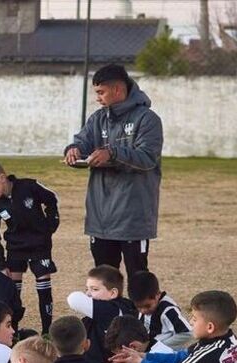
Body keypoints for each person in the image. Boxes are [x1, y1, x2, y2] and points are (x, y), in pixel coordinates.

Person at [63, 63, 163, 278]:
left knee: (138, 278)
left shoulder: (147, 119)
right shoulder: (98, 118)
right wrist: (73, 150)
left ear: (117, 90)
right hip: (100, 217)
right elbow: (82, 141)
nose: (97, 98)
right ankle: (108, 313)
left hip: (132, 217)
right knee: (104, 279)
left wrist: (113, 153)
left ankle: (140, 313)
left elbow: (147, 158)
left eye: (101, 92)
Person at [0, 160, 60, 334]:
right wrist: (0, 264)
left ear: (2, 178)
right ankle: (12, 332)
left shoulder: (29, 186)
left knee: (44, 290)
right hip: (15, 249)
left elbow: (52, 198)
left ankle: (46, 332)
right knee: (12, 293)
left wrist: (50, 226)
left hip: (40, 247)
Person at [67, 264, 137, 363]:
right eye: (87, 289)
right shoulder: (104, 310)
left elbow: (73, 299)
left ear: (113, 293)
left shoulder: (113, 310)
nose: (88, 294)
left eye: (94, 289)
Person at [128, 271, 192, 350]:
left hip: (168, 355)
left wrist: (160, 346)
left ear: (157, 295)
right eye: (138, 307)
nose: (143, 311)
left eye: (147, 306)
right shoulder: (143, 307)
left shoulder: (168, 310)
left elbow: (187, 333)